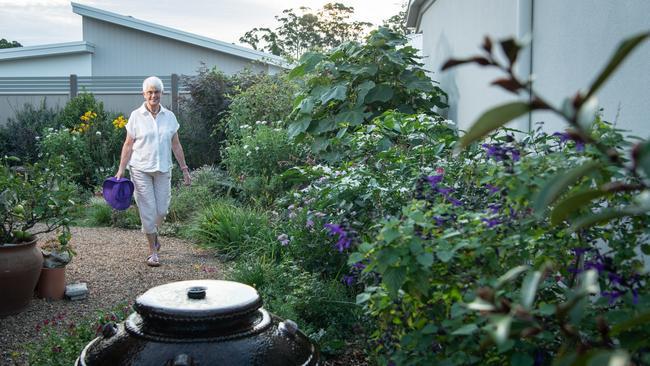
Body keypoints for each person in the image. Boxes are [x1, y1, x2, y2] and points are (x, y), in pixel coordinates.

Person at [115, 76, 191, 267]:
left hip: (163, 169)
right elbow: (128, 144)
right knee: (148, 211)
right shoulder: (135, 116)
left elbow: (176, 145)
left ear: (161, 93)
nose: (153, 95)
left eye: (156, 91)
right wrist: (121, 169)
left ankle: (153, 234)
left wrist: (185, 169)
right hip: (140, 169)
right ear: (144, 94)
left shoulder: (170, 117)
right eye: (150, 92)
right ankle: (153, 251)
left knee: (162, 209)